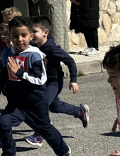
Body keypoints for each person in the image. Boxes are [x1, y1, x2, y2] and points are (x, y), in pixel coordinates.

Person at [0, 17, 72, 156]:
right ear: (9, 37)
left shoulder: (35, 55)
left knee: (47, 131)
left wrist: (19, 73)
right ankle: (9, 154)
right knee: (2, 123)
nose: (19, 39)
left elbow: (40, 79)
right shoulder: (7, 54)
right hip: (17, 103)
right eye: (15, 36)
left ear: (30, 36)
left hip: (35, 104)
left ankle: (64, 153)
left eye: (23, 35)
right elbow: (3, 74)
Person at [18, 16, 88, 146]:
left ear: (45, 33)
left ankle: (39, 135)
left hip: (53, 82)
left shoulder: (52, 48)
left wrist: (73, 80)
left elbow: (70, 61)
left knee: (41, 105)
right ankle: (80, 112)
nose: (32, 34)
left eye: (35, 31)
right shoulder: (33, 47)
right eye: (30, 32)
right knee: (54, 106)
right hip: (41, 82)